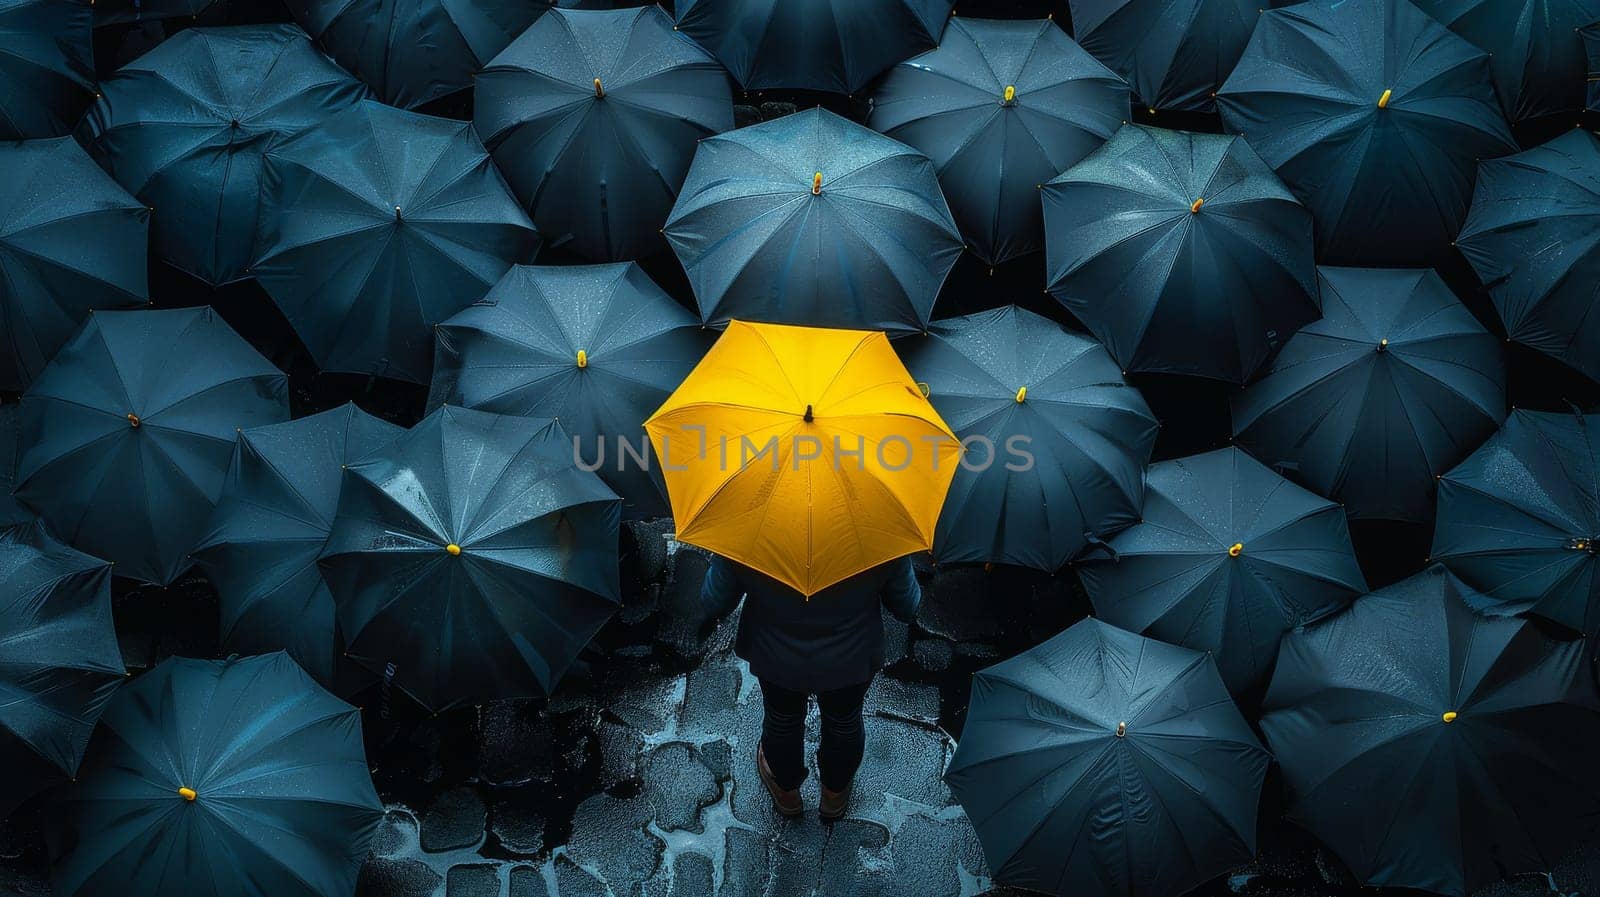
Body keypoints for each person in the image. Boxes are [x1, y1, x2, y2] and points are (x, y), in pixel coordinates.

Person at [700, 553, 921, 821]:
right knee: (844, 720)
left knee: (782, 719)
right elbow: (907, 606)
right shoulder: (882, 531)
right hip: (851, 657)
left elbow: (714, 602)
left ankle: (787, 793)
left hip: (776, 656)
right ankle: (834, 795)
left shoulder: (744, 531)